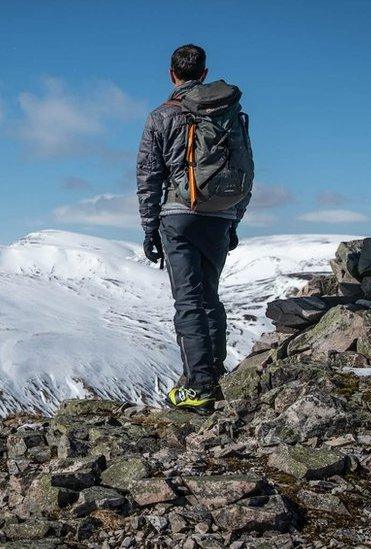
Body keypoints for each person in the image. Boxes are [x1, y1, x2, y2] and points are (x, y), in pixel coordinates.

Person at [136, 44, 253, 412]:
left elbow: (148, 176)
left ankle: (199, 387)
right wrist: (233, 218)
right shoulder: (231, 115)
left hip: (178, 215)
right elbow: (246, 170)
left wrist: (149, 228)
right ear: (203, 73)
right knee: (210, 297)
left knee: (188, 301)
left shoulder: (161, 116)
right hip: (219, 216)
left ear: (172, 74)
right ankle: (214, 375)